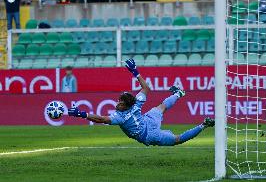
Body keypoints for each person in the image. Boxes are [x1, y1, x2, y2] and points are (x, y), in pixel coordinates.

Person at [68, 59, 215, 146]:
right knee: (161, 107)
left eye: (120, 102)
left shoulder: (120, 117)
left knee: (177, 139)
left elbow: (100, 119)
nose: (117, 103)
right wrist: (135, 72)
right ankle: (178, 93)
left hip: (149, 135)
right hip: (147, 120)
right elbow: (146, 88)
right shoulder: (137, 103)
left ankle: (203, 125)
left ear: (125, 105)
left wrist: (82, 114)